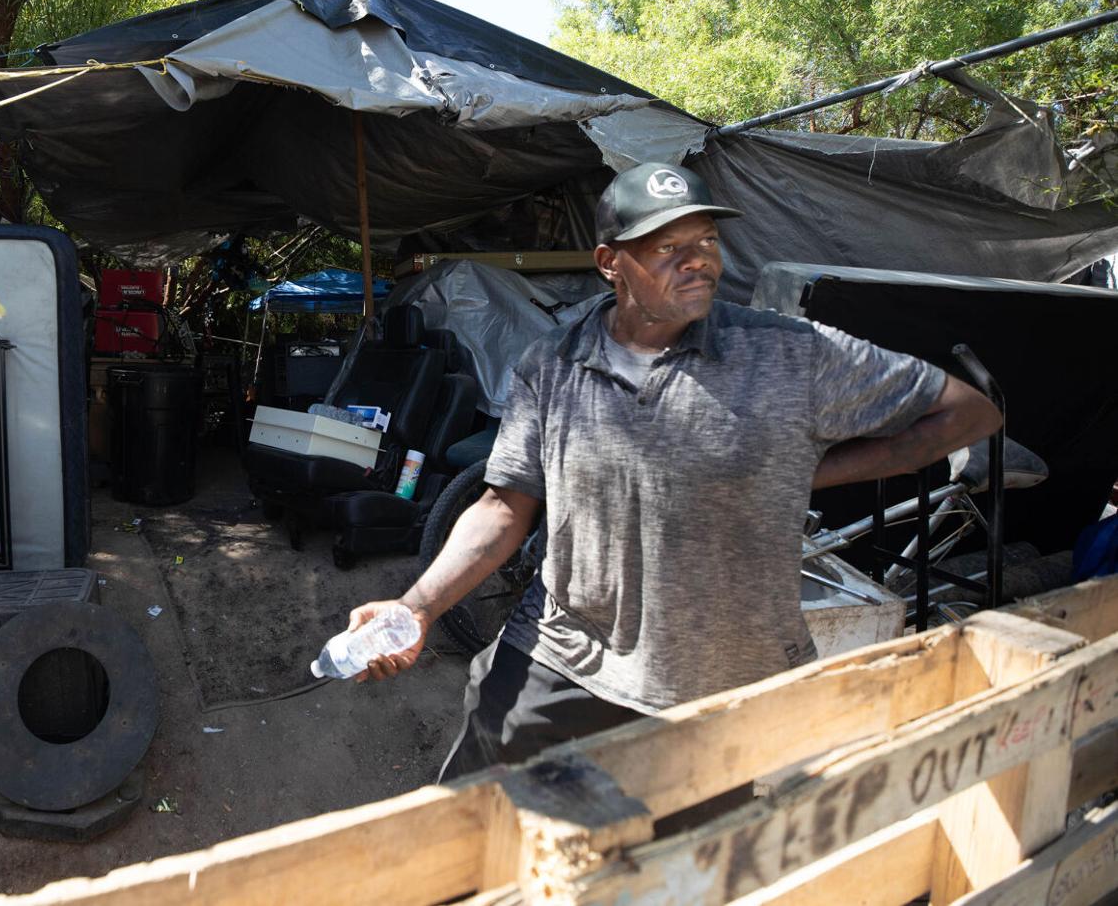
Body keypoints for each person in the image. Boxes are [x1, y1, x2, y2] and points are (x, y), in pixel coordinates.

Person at [346, 161, 1002, 782]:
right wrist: (417, 607)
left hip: (724, 687)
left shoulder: (789, 355)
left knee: (672, 874)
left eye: (707, 240)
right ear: (611, 263)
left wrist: (809, 473)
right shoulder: (552, 366)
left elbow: (967, 411)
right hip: (564, 662)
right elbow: (501, 507)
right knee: (476, 837)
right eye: (668, 247)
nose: (699, 261)